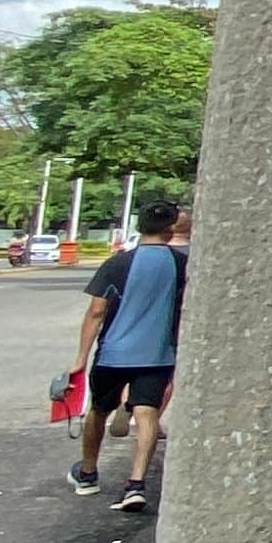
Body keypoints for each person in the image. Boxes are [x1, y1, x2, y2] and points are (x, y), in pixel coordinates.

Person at [67, 197, 187, 513]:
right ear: (171, 228)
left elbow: (96, 310)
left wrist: (80, 357)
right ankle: (135, 485)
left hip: (112, 354)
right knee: (147, 414)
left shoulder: (119, 262)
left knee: (98, 410)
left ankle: (88, 472)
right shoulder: (181, 264)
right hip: (158, 355)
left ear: (139, 226)